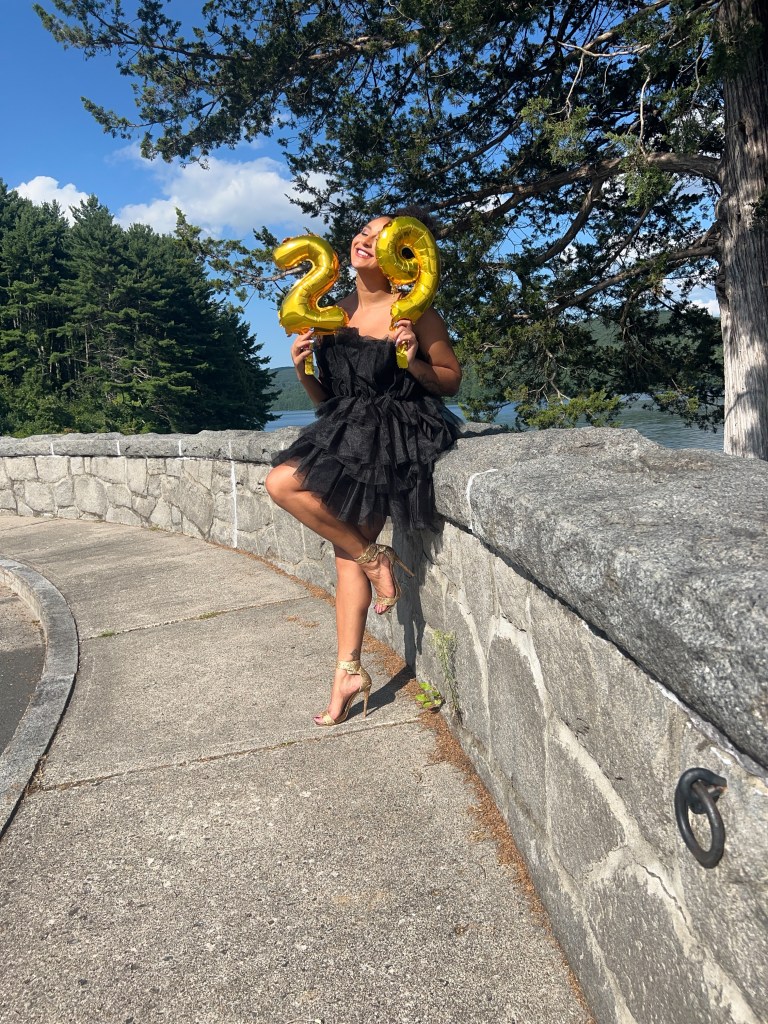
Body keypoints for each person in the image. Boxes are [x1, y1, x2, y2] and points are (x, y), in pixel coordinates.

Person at [265, 212, 462, 726]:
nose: (366, 239)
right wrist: (302, 370)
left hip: (395, 434)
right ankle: (350, 664)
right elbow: (327, 400)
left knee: (332, 542)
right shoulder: (330, 313)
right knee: (332, 539)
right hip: (346, 432)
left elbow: (449, 380)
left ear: (403, 252)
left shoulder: (415, 311)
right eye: (363, 231)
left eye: (381, 235)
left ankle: (350, 660)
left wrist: (412, 359)